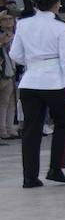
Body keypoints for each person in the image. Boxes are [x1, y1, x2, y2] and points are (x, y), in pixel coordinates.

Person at [11, 0, 65, 187]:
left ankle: (29, 177)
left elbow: (15, 54)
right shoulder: (60, 28)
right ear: (57, 4)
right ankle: (55, 168)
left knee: (31, 130)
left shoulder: (23, 24)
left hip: (30, 81)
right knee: (63, 124)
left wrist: (33, 62)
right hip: (54, 82)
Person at [0, 10, 17, 141]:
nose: (9, 22)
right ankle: (2, 130)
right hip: (2, 72)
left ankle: (9, 129)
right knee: (3, 103)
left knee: (10, 102)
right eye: (5, 19)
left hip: (10, 71)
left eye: (10, 19)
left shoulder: (15, 35)